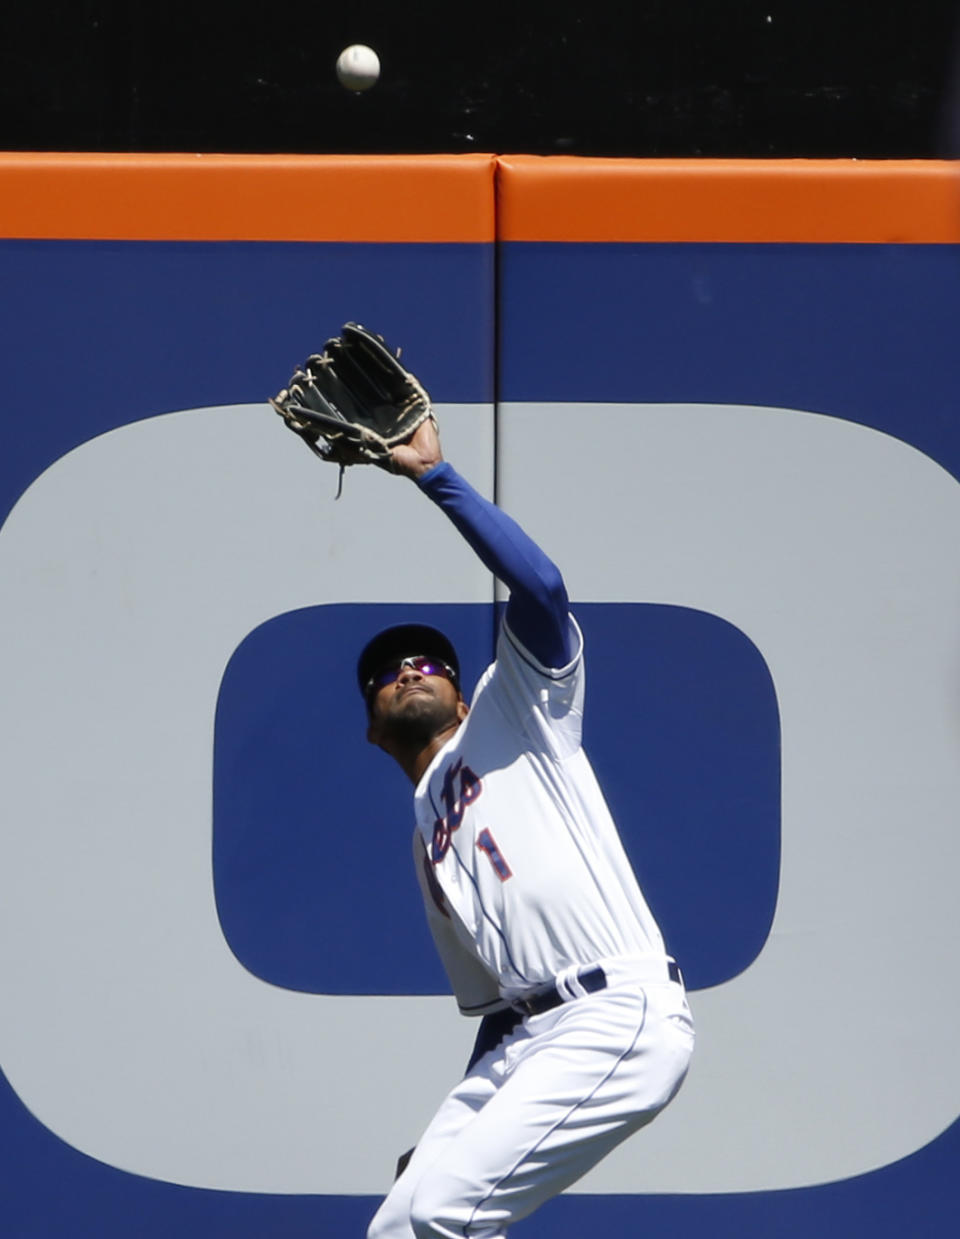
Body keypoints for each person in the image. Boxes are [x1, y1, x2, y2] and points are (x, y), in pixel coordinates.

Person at [362, 418, 694, 1239]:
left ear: (463, 691)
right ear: (372, 725)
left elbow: (541, 589)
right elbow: (502, 1011)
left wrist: (438, 479)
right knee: (402, 1223)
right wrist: (461, 1130)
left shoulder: (517, 710)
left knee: (446, 1212)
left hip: (617, 1010)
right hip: (530, 1040)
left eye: (428, 661)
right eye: (386, 671)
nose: (409, 670)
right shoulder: (425, 837)